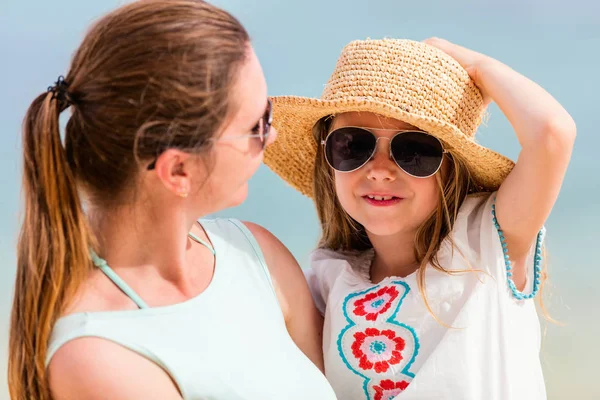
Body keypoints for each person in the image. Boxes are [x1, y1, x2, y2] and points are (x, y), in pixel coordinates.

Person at [9, 1, 337, 399]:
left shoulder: (258, 254)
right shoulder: (101, 356)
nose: (272, 138)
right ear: (178, 170)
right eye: (256, 125)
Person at [263, 37, 576, 399]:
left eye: (413, 151)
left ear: (450, 170)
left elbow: (552, 134)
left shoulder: (487, 239)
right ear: (327, 161)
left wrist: (477, 67)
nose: (379, 171)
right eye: (353, 145)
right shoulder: (331, 278)